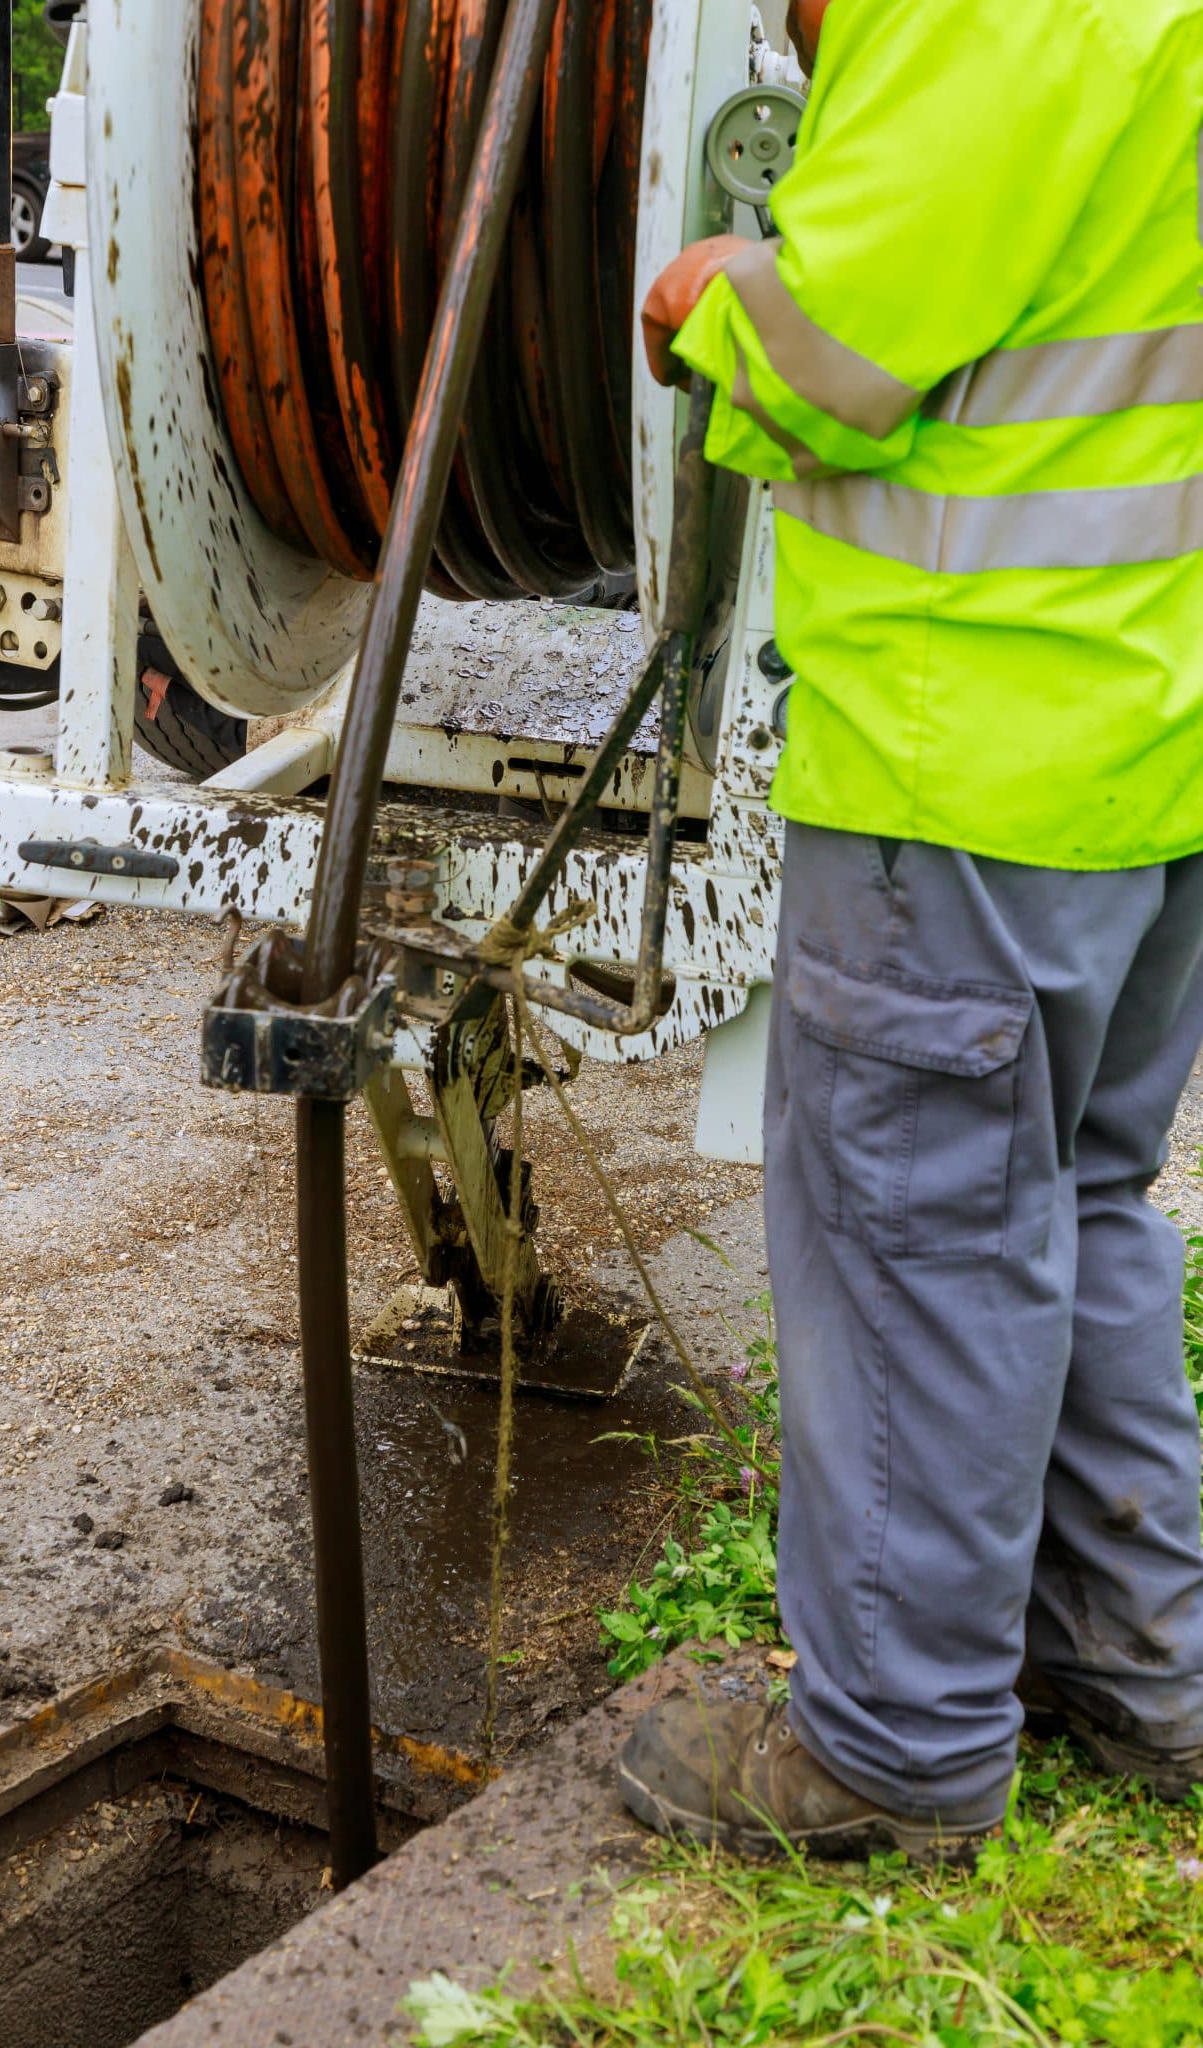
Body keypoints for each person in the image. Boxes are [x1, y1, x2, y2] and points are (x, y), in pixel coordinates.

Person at [619, 0, 1203, 1863]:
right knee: (1075, 1206)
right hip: (1148, 753)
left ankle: (891, 1756)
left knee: (916, 1247)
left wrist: (712, 285)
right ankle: (1140, 1665)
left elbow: (823, 362)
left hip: (962, 764)